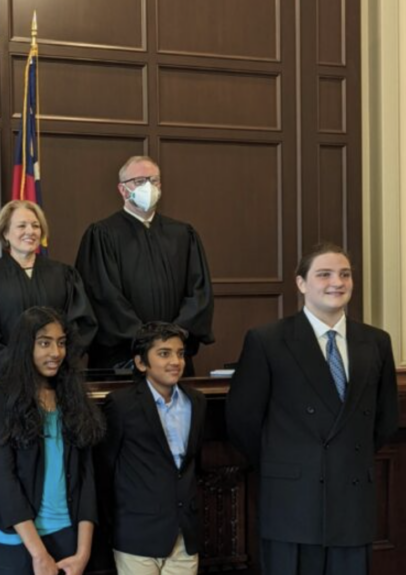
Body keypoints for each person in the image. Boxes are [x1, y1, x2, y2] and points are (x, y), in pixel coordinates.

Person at [226, 243, 399, 575]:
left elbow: (385, 417)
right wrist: (290, 461)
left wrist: (344, 455)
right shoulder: (268, 340)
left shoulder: (376, 341)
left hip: (351, 497)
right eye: (324, 274)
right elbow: (242, 419)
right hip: (291, 496)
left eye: (345, 274)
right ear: (301, 283)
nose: (337, 282)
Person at [0, 306, 105, 575]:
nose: (56, 353)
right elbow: (5, 480)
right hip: (15, 540)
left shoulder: (72, 395)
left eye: (61, 343)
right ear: (26, 346)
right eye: (44, 343)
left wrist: (83, 553)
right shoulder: (2, 397)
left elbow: (87, 479)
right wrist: (39, 555)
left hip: (67, 535)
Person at [75, 155, 214, 374]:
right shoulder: (102, 234)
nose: (148, 187)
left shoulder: (182, 234)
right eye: (139, 181)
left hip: (175, 355)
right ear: (122, 189)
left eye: (154, 180)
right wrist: (145, 339)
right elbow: (103, 295)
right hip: (123, 357)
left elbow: (199, 291)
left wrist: (175, 336)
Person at [99, 322, 206, 575]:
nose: (176, 361)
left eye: (180, 353)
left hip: (184, 534)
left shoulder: (196, 401)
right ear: (140, 363)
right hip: (137, 534)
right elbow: (105, 469)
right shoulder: (121, 405)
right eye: (164, 353)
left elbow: (192, 466)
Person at [0, 200, 97, 379]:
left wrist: (54, 359)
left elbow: (81, 327)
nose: (30, 231)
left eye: (35, 226)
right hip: (9, 379)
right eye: (21, 226)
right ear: (5, 233)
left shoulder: (64, 275)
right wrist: (18, 365)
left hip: (58, 376)